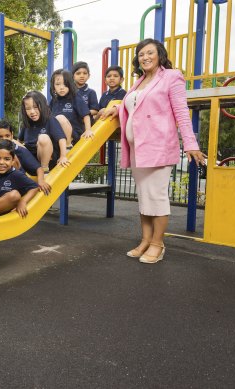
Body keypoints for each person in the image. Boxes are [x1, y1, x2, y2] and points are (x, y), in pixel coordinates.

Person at [99, 38, 206, 264]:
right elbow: (136, 106)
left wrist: (191, 144)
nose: (145, 57)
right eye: (141, 54)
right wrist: (117, 109)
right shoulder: (139, 82)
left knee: (156, 196)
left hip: (158, 146)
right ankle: (146, 240)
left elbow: (181, 112)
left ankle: (158, 244)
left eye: (150, 53)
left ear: (159, 55)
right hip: (138, 148)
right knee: (144, 196)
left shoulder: (171, 76)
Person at [0, 119, 51, 195]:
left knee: (13, 157)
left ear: (12, 135)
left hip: (17, 185)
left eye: (7, 136)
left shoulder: (19, 150)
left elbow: (38, 168)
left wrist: (41, 181)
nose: (4, 139)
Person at [18, 90, 69, 173]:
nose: (32, 112)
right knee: (11, 142)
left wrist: (63, 156)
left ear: (43, 106)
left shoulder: (49, 120)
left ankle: (44, 170)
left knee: (43, 137)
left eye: (35, 107)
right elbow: (19, 142)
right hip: (31, 162)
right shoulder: (26, 124)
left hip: (46, 159)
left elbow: (61, 138)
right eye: (28, 108)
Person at [50, 69, 93, 146]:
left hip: (73, 134)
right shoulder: (54, 101)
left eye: (65, 84)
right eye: (58, 84)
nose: (61, 87)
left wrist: (88, 130)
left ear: (70, 84)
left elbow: (86, 115)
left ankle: (68, 146)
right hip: (58, 134)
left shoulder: (75, 98)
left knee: (60, 118)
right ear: (53, 86)